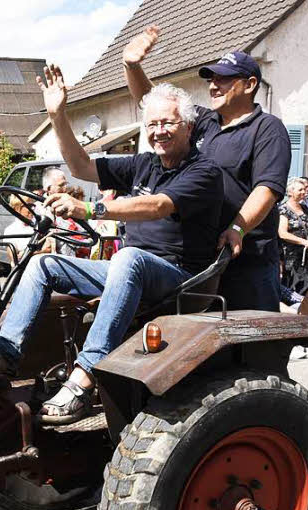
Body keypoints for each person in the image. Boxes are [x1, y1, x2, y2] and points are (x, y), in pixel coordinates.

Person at [0, 68, 223, 426]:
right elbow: (80, 166)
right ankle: (4, 355)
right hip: (128, 272)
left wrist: (90, 208)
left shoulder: (204, 172)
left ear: (188, 127)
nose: (158, 131)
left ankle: (84, 376)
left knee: (128, 257)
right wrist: (57, 116)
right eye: (152, 124)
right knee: (44, 264)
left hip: (179, 277)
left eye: (167, 123)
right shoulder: (144, 163)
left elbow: (158, 205)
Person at [124, 32, 291, 311]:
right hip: (202, 261)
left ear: (249, 84)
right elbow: (156, 103)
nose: (213, 86)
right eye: (212, 79)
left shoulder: (267, 129)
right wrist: (132, 66)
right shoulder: (205, 122)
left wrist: (238, 227)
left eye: (223, 79)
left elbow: (267, 189)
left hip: (247, 259)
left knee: (251, 342)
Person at [278, 178, 308, 292]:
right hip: (290, 257)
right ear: (290, 192)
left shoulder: (305, 208)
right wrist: (304, 242)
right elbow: (282, 233)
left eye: (304, 189)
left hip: (306, 256)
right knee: (292, 286)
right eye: (300, 189)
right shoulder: (283, 209)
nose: (304, 192)